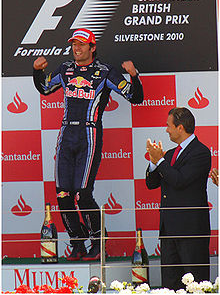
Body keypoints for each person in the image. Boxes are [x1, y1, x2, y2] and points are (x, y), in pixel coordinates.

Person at [33, 28, 144, 261]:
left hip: (89, 133)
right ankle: (78, 243)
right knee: (63, 194)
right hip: (66, 132)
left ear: (92, 48)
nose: (77, 48)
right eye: (74, 44)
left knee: (83, 194)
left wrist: (133, 76)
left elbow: (135, 97)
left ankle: (98, 241)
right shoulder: (65, 69)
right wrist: (36, 71)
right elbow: (45, 88)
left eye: (82, 44)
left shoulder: (105, 72)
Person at [145, 107, 211, 291]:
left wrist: (160, 161)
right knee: (170, 283)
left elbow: (180, 181)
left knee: (194, 283)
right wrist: (153, 161)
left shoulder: (201, 152)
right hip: (169, 230)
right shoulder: (170, 153)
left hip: (191, 231)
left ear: (180, 127)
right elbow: (152, 183)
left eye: (168, 126)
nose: (166, 130)